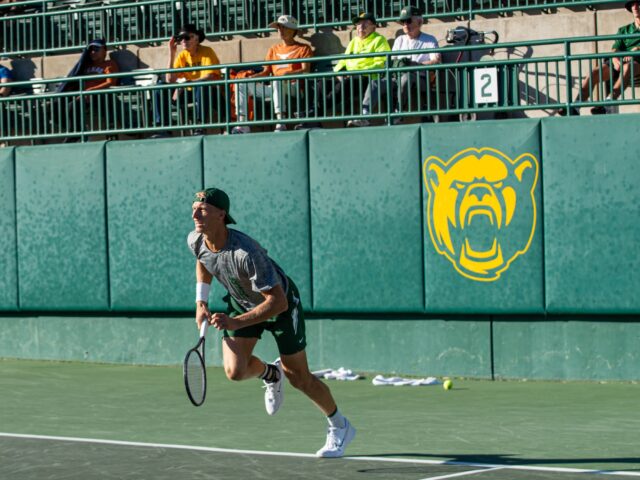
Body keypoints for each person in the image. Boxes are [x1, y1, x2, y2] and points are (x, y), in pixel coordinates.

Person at [188, 188, 356, 458]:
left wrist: (235, 322)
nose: (195, 214)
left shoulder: (246, 252)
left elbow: (277, 302)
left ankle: (340, 426)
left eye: (203, 209)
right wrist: (201, 302)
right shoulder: (196, 239)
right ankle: (270, 374)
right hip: (241, 301)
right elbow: (204, 261)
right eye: (194, 208)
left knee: (299, 377)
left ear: (221, 215)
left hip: (279, 305)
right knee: (235, 371)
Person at [297, 12, 390, 129]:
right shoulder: (354, 41)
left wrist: (356, 72)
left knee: (345, 85)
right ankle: (314, 120)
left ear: (374, 27)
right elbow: (344, 60)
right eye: (359, 24)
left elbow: (380, 63)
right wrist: (338, 73)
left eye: (366, 23)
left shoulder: (379, 40)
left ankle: (313, 112)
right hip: (349, 75)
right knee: (322, 83)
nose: (361, 26)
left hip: (366, 77)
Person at [232, 15, 313, 134]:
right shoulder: (273, 49)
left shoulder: (303, 48)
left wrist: (287, 74)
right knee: (241, 84)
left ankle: (281, 122)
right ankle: (242, 124)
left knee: (277, 80)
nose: (281, 31)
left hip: (294, 86)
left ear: (293, 30)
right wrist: (252, 77)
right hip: (275, 87)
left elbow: (306, 70)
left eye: (284, 28)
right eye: (279, 28)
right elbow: (266, 72)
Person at [567, 0, 640, 116]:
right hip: (620, 62)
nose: (635, 7)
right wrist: (615, 59)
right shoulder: (624, 30)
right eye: (632, 4)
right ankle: (575, 107)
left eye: (638, 3)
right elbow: (615, 48)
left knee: (628, 67)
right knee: (594, 73)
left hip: (636, 64)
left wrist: (635, 51)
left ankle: (608, 105)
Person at [152, 24, 221, 138]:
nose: (184, 41)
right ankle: (163, 128)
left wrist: (188, 83)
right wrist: (172, 53)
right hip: (190, 91)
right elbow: (170, 79)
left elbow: (209, 76)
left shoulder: (207, 51)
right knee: (160, 87)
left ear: (196, 38)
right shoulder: (182, 55)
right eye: (181, 38)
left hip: (209, 91)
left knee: (201, 85)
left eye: (187, 37)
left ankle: (200, 126)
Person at [57, 39, 120, 142]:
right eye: (90, 50)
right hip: (84, 95)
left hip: (100, 96)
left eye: (96, 49)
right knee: (58, 104)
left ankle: (109, 131)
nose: (92, 52)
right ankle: (75, 131)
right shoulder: (86, 66)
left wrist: (91, 90)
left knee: (73, 105)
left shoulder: (109, 64)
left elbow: (110, 82)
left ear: (104, 50)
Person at [390, 5, 441, 124]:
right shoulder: (399, 40)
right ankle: (364, 115)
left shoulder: (429, 39)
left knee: (407, 77)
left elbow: (436, 61)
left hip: (422, 78)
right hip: (398, 76)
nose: (405, 25)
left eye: (408, 21)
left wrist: (414, 64)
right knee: (377, 83)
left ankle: (398, 113)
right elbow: (392, 61)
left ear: (419, 21)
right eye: (403, 22)